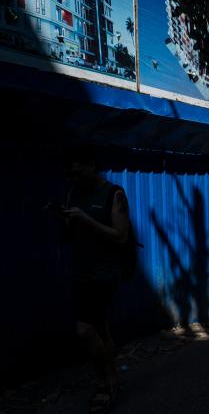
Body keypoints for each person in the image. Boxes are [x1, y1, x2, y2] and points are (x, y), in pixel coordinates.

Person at [53, 145, 129, 413]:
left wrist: (85, 219)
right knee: (100, 328)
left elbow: (120, 236)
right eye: (71, 172)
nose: (74, 176)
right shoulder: (75, 192)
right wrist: (65, 219)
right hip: (81, 270)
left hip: (104, 273)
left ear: (91, 166)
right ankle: (114, 378)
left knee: (84, 330)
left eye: (78, 170)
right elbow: (72, 234)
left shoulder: (114, 194)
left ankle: (104, 384)